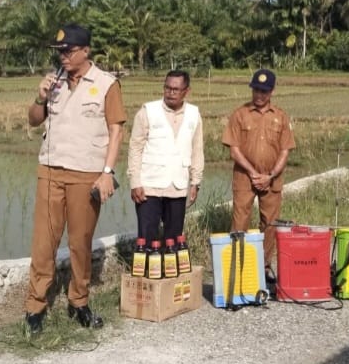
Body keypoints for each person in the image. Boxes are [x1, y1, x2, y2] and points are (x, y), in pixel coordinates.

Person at [24, 23, 126, 334]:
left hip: (86, 175)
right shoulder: (53, 82)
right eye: (59, 52)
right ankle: (35, 306)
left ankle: (78, 301)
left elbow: (116, 130)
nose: (63, 57)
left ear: (85, 51)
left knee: (80, 242)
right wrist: (41, 97)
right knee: (44, 242)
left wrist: (107, 174)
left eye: (69, 51)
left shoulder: (106, 84)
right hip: (51, 172)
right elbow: (33, 119)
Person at [221, 69, 295, 281]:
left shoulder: (280, 117)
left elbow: (285, 150)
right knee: (240, 221)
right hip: (245, 177)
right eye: (256, 90)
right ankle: (237, 267)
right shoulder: (239, 114)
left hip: (272, 179)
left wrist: (270, 176)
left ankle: (262, 268)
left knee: (269, 223)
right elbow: (234, 149)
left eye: (264, 91)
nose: (259, 95)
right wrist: (254, 173)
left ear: (272, 91)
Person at [127, 70, 204, 244]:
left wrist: (195, 182)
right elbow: (135, 148)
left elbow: (197, 150)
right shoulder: (148, 111)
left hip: (178, 185)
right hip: (149, 186)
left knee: (174, 238)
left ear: (186, 91)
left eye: (176, 89)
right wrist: (135, 182)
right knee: (146, 237)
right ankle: (147, 269)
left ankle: (171, 270)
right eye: (167, 88)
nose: (171, 93)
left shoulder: (194, 114)